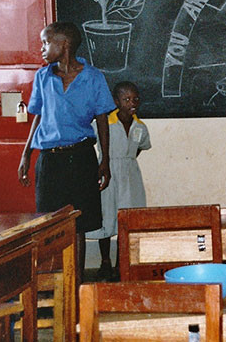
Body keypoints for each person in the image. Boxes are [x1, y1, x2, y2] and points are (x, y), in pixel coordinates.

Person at [18, 21, 116, 281]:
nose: (41, 48)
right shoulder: (42, 77)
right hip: (50, 160)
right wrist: (26, 154)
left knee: (78, 225)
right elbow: (37, 117)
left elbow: (103, 120)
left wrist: (104, 161)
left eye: (45, 43)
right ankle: (53, 283)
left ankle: (76, 283)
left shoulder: (93, 77)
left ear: (64, 45)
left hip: (81, 157)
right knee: (49, 224)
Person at [86, 81, 152, 281]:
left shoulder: (140, 126)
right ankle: (105, 262)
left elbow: (140, 147)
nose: (132, 103)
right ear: (116, 101)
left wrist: (126, 160)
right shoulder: (105, 122)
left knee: (127, 218)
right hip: (108, 171)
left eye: (135, 99)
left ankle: (120, 263)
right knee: (106, 216)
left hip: (130, 174)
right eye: (126, 99)